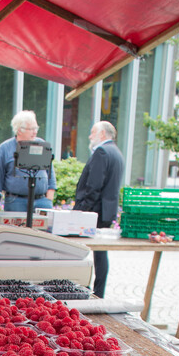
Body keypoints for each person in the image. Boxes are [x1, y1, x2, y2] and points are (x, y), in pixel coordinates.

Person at [74, 121, 124, 298]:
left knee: (76, 249)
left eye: (92, 132)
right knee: (101, 253)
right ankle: (99, 291)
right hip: (106, 211)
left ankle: (83, 289)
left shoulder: (102, 152)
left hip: (94, 211)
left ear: (102, 134)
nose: (89, 136)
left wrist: (82, 210)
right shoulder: (116, 152)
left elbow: (94, 185)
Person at [0, 110, 56, 214]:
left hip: (42, 202)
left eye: (36, 128)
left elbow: (51, 176)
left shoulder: (42, 145)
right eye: (31, 129)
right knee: (17, 230)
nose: (35, 132)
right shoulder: (5, 149)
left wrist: (48, 199)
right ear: (19, 130)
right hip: (16, 202)